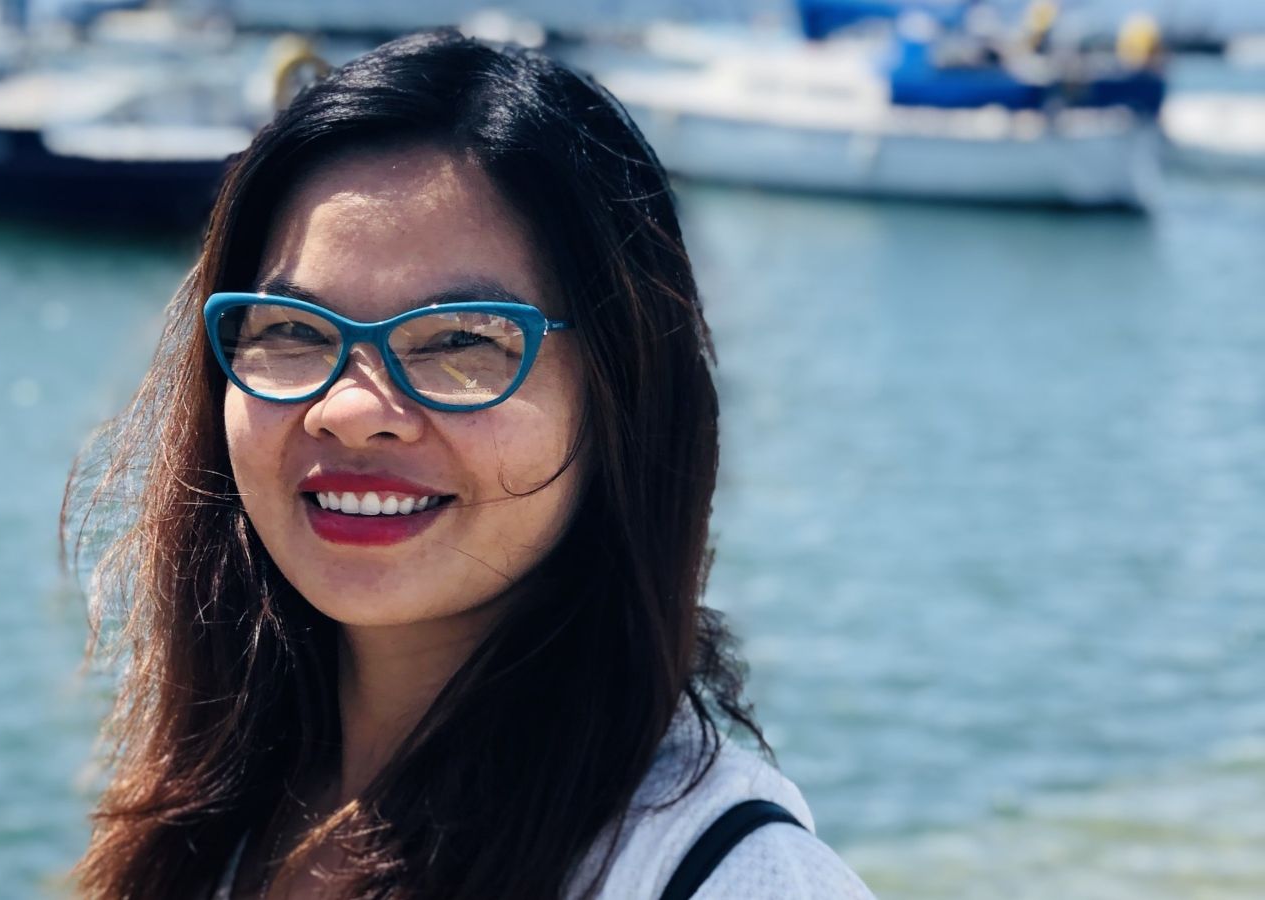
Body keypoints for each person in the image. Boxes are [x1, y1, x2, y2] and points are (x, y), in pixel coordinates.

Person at [62, 28, 877, 900]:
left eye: (461, 342)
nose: (351, 410)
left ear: (622, 398)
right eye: (294, 332)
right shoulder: (219, 806)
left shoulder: (733, 879)